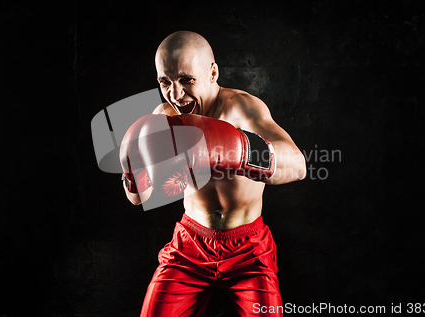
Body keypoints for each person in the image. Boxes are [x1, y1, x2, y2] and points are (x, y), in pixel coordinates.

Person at [120, 31, 306, 316]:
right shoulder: (163, 119)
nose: (175, 94)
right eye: (165, 82)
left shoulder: (243, 108)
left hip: (248, 249)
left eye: (186, 80)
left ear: (213, 72)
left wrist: (238, 149)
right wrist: (133, 169)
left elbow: (298, 166)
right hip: (189, 246)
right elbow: (138, 198)